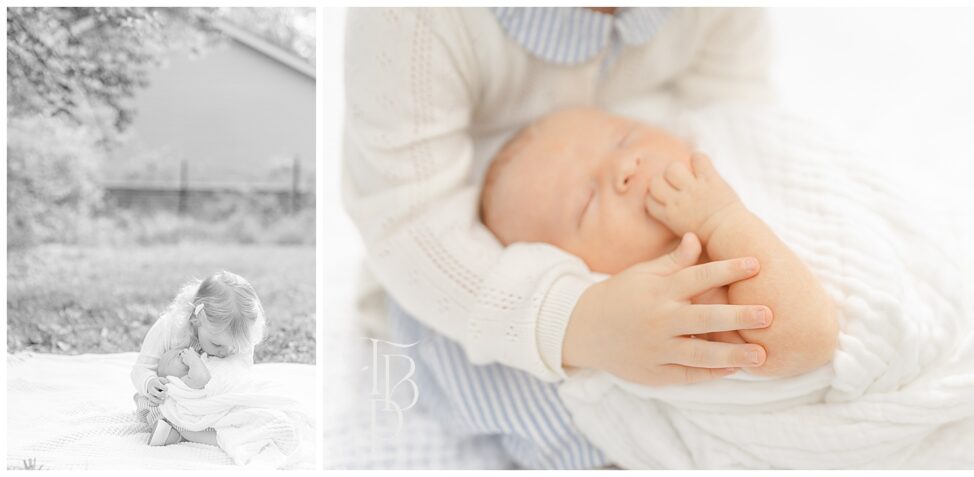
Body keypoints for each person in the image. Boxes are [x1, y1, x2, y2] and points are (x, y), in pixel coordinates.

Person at [344, 7, 774, 468]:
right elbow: (410, 223)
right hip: (476, 270)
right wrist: (578, 321)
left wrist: (724, 213)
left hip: (676, 201)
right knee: (552, 397)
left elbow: (732, 110)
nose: (623, 170)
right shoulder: (413, 20)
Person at [480, 108, 839, 378]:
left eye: (625, 138)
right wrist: (722, 221)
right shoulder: (683, 301)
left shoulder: (728, 141)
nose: (624, 166)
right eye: (587, 203)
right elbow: (809, 342)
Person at [131, 271, 267, 446]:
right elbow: (141, 368)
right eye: (217, 345)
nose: (225, 352)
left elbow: (241, 373)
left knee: (243, 406)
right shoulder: (169, 328)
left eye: (234, 347)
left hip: (209, 399)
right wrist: (149, 383)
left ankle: (188, 432)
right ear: (197, 319)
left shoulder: (239, 335)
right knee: (146, 402)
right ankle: (175, 428)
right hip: (172, 398)